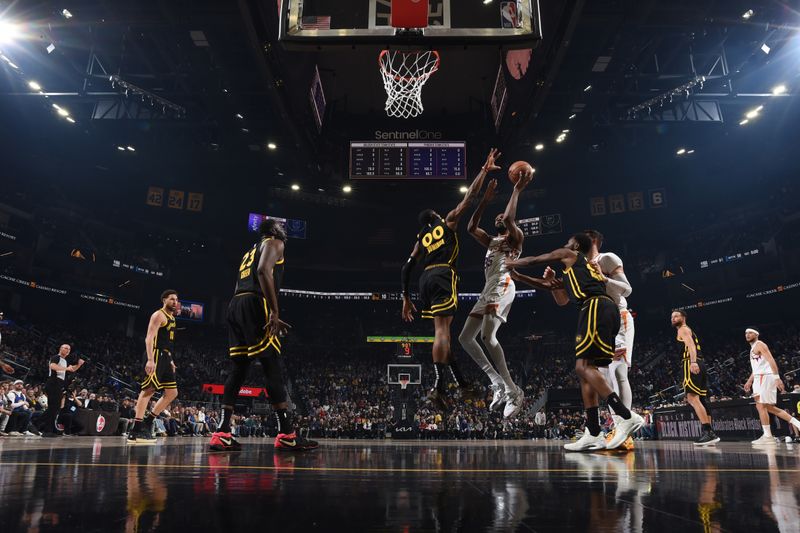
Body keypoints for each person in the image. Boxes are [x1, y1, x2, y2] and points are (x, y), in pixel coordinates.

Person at [508, 233, 643, 451]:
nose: (564, 244)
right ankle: (594, 432)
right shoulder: (578, 270)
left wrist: (510, 262)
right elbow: (549, 286)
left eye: (568, 242)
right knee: (586, 372)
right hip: (601, 309)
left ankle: (626, 416)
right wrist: (518, 276)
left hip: (595, 307)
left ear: (576, 245)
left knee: (583, 367)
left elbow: (536, 259)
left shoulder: (571, 255)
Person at [401, 148, 501, 411]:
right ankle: (438, 387)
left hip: (424, 280)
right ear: (435, 216)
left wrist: (405, 298)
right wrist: (483, 171)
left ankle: (461, 383)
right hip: (443, 274)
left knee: (442, 333)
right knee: (442, 333)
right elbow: (469, 198)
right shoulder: (446, 222)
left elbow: (407, 267)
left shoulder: (421, 240)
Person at [209, 219, 317, 452]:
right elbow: (263, 271)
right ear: (274, 230)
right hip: (255, 303)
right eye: (282, 227)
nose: (285, 231)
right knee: (271, 365)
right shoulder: (275, 243)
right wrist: (274, 312)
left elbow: (242, 281)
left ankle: (222, 432)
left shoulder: (249, 251)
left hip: (236, 304)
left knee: (238, 369)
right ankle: (286, 433)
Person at [459, 170, 532, 418]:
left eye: (503, 216)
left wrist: (516, 189)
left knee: (488, 337)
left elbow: (510, 218)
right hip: (487, 288)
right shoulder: (491, 241)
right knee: (465, 338)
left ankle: (513, 390)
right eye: (497, 216)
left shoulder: (515, 238)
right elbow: (471, 227)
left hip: (503, 284)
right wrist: (485, 201)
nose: (500, 217)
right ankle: (497, 381)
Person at [583, 230, 636, 450]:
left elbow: (627, 289)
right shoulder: (581, 267)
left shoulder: (607, 258)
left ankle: (626, 428)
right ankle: (617, 427)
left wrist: (603, 278)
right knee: (604, 380)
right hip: (598, 324)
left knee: (618, 373)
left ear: (594, 240)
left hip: (617, 317)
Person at [128, 290, 180, 444]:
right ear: (164, 300)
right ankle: (135, 430)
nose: (175, 302)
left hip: (165, 356)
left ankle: (148, 422)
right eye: (171, 299)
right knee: (148, 390)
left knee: (172, 393)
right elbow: (149, 338)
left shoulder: (172, 318)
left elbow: (167, 342)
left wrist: (170, 360)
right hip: (155, 354)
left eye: (176, 299)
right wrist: (150, 359)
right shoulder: (158, 315)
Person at [670, 310, 720, 446]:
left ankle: (708, 432)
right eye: (672, 317)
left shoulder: (683, 329)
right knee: (701, 400)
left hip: (690, 362)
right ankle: (710, 433)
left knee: (692, 398)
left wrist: (692, 362)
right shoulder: (688, 330)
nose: (673, 318)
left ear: (684, 318)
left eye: (676, 316)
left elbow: (691, 345)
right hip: (700, 362)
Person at [743, 328, 800, 445]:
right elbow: (757, 368)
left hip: (765, 377)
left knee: (761, 406)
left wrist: (777, 378)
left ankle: (768, 436)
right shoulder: (753, 348)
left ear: (757, 334)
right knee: (767, 407)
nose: (747, 335)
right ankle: (796, 424)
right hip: (759, 377)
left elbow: (771, 360)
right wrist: (749, 381)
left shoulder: (760, 344)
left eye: (750, 333)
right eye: (746, 333)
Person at [38, 344, 83, 437]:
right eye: (66, 348)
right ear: (60, 349)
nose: (68, 350)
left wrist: (79, 365)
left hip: (59, 384)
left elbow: (72, 369)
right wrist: (66, 368)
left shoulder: (64, 361)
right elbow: (52, 366)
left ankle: (49, 429)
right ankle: (44, 429)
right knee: (53, 407)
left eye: (69, 349)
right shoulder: (56, 357)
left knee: (56, 408)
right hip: (53, 382)